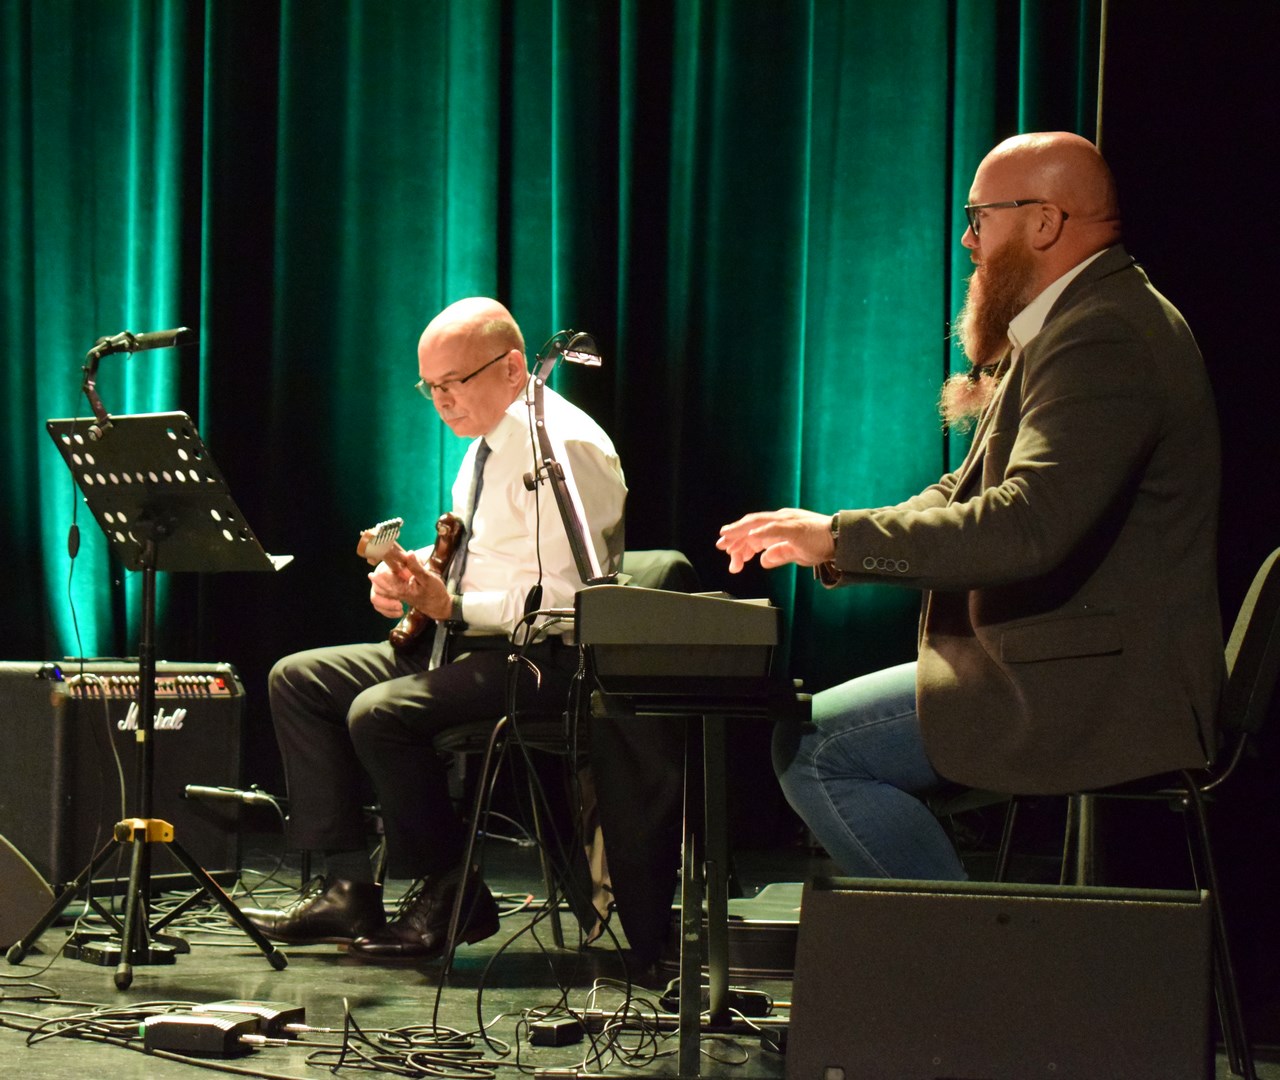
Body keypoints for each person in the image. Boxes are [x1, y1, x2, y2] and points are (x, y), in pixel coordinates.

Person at [716, 132, 1222, 880]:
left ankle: (969, 951)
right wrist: (830, 536)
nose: (967, 240)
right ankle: (963, 943)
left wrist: (842, 539)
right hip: (1070, 665)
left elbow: (1025, 526)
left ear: (1044, 222)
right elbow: (964, 491)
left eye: (980, 217)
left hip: (1101, 688)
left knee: (817, 750)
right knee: (810, 735)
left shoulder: (1103, 334)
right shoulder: (1076, 318)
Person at [245, 297, 626, 958]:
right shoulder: (485, 443)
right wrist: (409, 574)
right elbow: (484, 556)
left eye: (454, 382)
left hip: (543, 660)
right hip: (466, 642)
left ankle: (452, 891)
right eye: (431, 387)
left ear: (513, 369)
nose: (442, 401)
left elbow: (571, 598)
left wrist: (452, 606)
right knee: (299, 679)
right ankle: (348, 887)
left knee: (379, 714)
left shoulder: (565, 447)